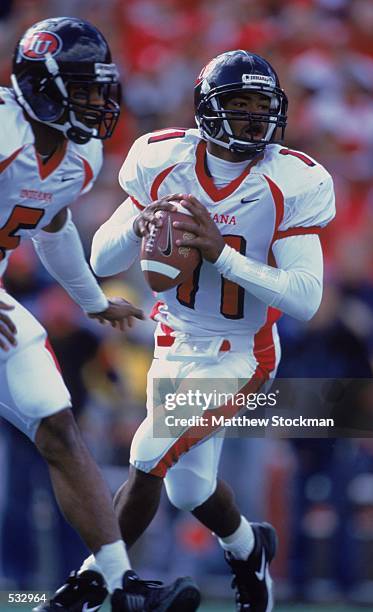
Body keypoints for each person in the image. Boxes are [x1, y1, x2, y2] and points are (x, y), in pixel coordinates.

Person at [63, 49, 335, 611]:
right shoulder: (163, 160)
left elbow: (307, 300)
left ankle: (92, 586)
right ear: (208, 110)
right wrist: (137, 222)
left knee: (148, 450)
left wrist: (222, 256)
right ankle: (247, 545)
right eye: (239, 104)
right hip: (172, 340)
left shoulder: (290, 179)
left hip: (242, 353)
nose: (254, 118)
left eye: (262, 105)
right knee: (188, 488)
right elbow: (101, 258)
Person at [0, 16, 199, 612]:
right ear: (39, 84)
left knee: (57, 422)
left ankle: (116, 586)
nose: (96, 101)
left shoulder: (77, 154)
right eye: (83, 87)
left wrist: (91, 300)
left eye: (98, 87)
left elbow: (51, 227)